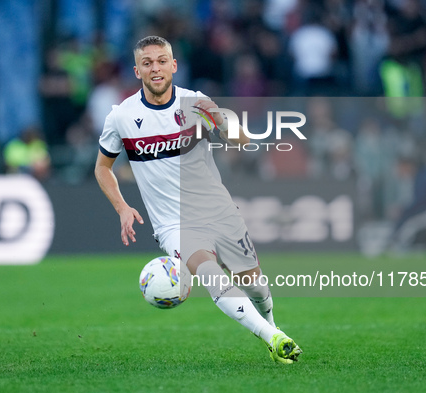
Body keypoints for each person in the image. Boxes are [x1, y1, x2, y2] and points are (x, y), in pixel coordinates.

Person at [94, 36, 301, 364]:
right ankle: (273, 338)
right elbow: (103, 168)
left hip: (218, 210)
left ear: (174, 65)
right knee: (211, 276)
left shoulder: (196, 103)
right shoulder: (121, 117)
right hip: (173, 223)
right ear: (137, 71)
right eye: (147, 63)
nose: (156, 68)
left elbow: (240, 139)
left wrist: (228, 127)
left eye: (162, 61)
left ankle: (272, 326)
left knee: (256, 285)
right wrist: (122, 207)